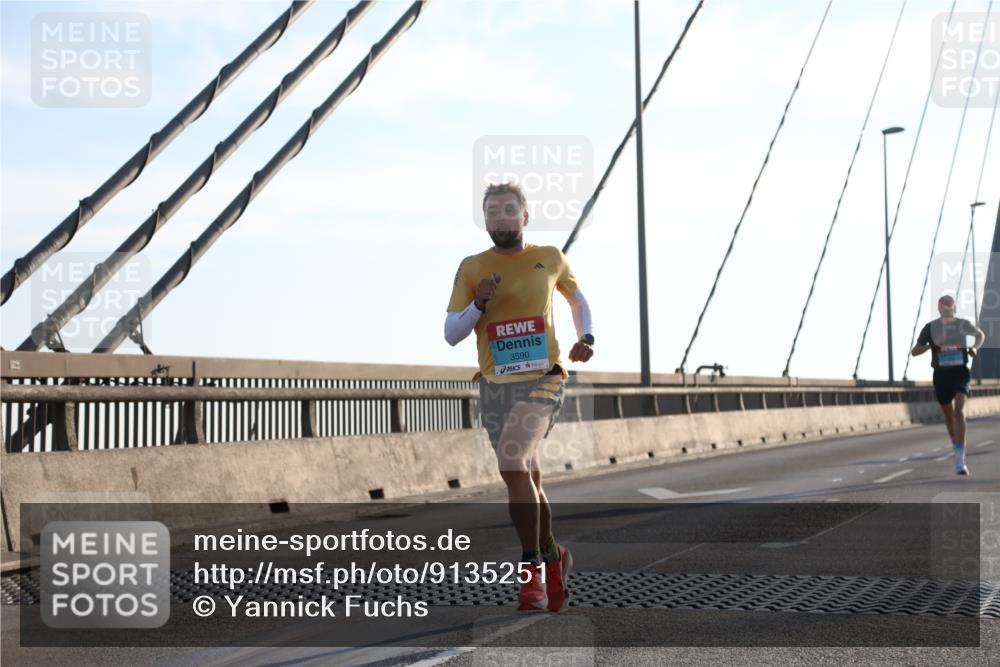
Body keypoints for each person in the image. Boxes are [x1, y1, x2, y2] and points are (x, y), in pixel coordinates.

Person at [445, 181, 594, 612]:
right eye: (492, 212)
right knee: (526, 475)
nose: (501, 218)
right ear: (485, 219)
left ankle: (530, 574)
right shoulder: (472, 268)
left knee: (511, 461)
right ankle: (554, 558)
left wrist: (585, 335)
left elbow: (577, 299)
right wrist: (478, 304)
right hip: (495, 385)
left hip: (542, 378)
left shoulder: (548, 259)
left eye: (509, 210)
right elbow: (452, 334)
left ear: (524, 216)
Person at [911, 294, 985, 476]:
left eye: (950, 309)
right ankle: (956, 444)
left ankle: (960, 458)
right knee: (948, 415)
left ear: (954, 309)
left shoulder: (962, 324)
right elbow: (914, 351)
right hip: (941, 375)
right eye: (944, 310)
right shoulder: (930, 328)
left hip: (960, 372)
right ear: (939, 309)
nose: (947, 312)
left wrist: (974, 348)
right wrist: (929, 346)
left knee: (959, 410)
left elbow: (980, 334)